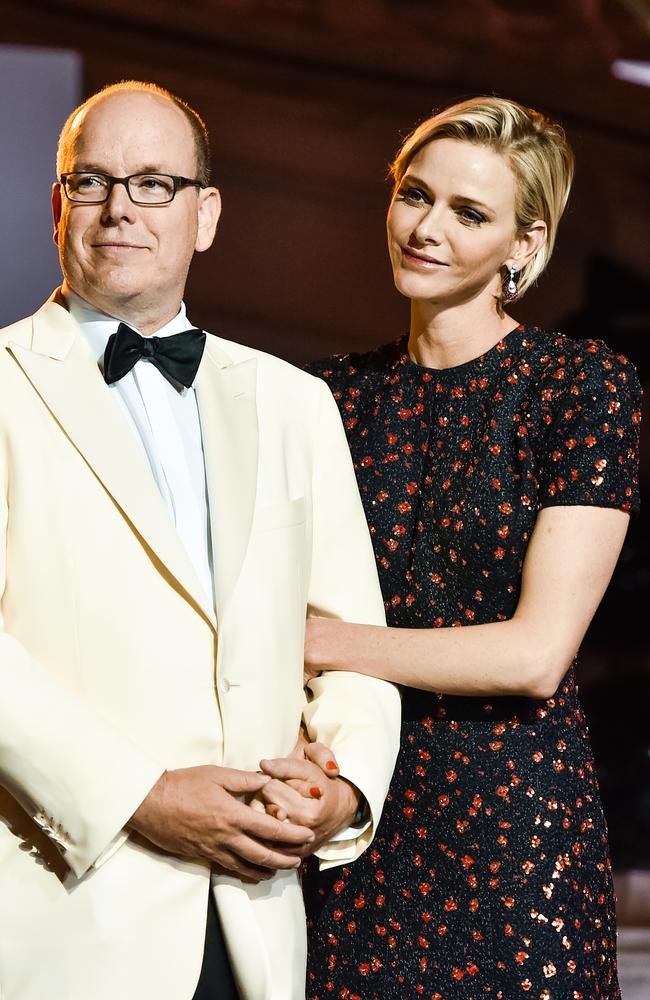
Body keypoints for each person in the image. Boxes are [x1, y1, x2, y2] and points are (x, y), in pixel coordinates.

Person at [0, 81, 401, 1000]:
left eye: (152, 184)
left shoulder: (294, 402)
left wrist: (340, 788)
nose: (118, 210)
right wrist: (142, 796)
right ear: (59, 204)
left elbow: (349, 641)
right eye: (93, 180)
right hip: (65, 910)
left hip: (255, 917)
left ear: (205, 214)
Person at [300, 97, 641, 999]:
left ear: (523, 247)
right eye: (415, 194)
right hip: (353, 814)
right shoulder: (324, 399)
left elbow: (535, 655)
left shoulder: (584, 388)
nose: (426, 227)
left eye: (469, 212)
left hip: (516, 831)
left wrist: (318, 640)